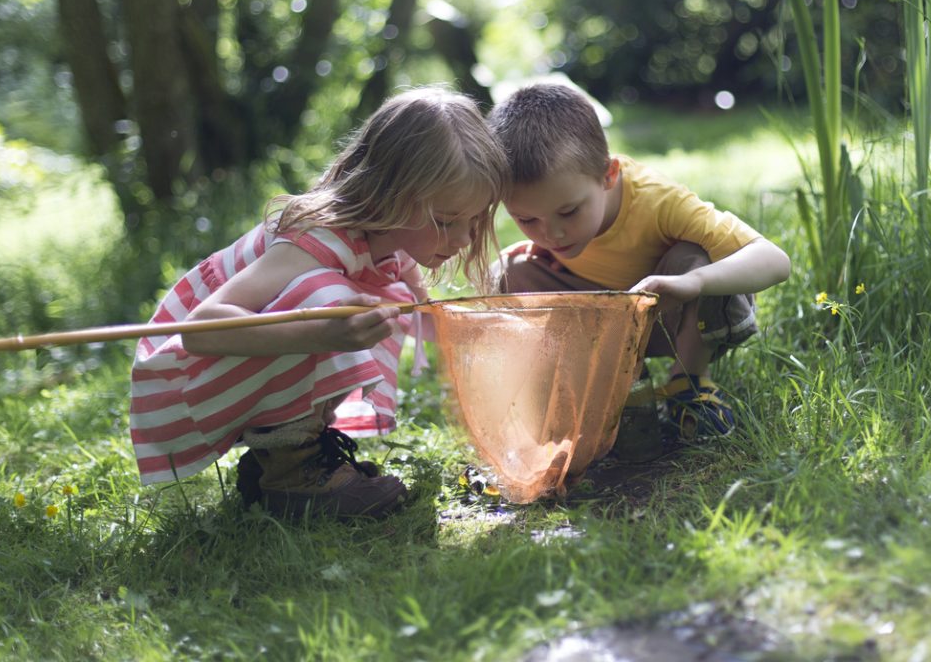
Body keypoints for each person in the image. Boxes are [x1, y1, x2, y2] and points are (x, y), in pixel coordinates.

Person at [130, 88, 509, 521]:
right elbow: (202, 330)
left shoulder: (391, 239)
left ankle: (280, 460)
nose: (462, 240)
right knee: (332, 301)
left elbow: (426, 312)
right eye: (445, 221)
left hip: (226, 374)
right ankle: (293, 475)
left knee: (384, 301)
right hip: (180, 380)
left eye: (474, 221)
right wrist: (323, 333)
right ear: (392, 192)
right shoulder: (316, 242)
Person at [488, 83, 790, 440]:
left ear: (609, 174)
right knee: (508, 273)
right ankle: (610, 386)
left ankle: (688, 384)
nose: (551, 235)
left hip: (672, 318)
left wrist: (694, 282)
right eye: (527, 220)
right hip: (606, 323)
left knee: (696, 257)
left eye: (568, 212)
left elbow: (775, 260)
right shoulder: (553, 222)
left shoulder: (658, 201)